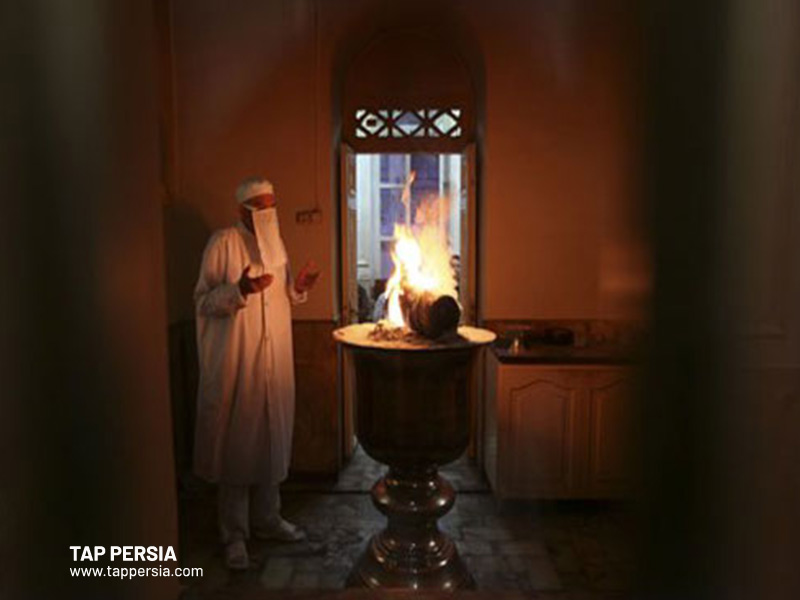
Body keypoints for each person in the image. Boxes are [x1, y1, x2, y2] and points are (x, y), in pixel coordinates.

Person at [193, 176, 320, 570]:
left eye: (272, 206)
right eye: (261, 207)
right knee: (237, 444)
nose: (269, 214)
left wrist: (299, 287)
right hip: (239, 362)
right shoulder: (223, 243)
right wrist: (240, 291)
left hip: (273, 360)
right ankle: (234, 534)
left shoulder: (277, 245)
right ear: (242, 210)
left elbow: (285, 297)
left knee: (271, 437)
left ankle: (268, 518)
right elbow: (203, 302)